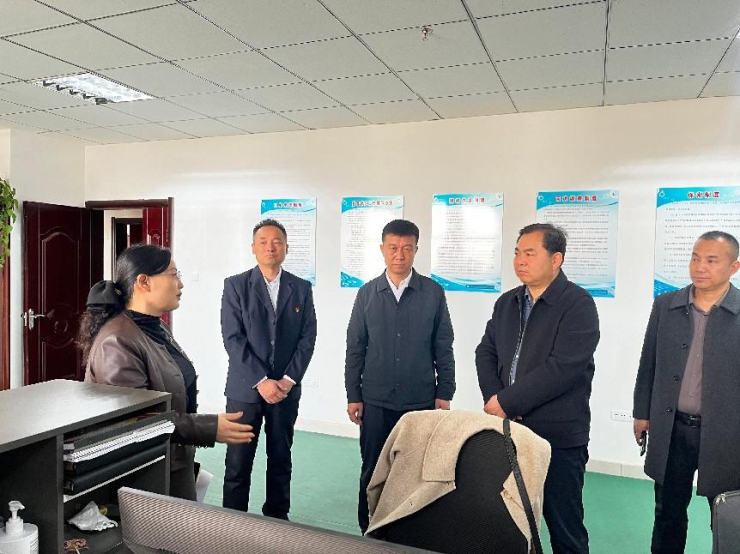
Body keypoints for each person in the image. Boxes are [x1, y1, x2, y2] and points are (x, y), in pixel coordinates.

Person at [80, 244, 254, 501]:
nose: (180, 284)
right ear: (144, 282)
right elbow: (137, 421)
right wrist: (208, 427)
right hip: (143, 470)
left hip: (170, 457)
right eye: (174, 275)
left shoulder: (155, 327)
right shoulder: (117, 341)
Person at [475, 223, 600, 554]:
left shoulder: (578, 304)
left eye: (530, 253)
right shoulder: (508, 302)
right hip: (507, 430)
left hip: (557, 436)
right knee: (506, 520)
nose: (520, 260)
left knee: (564, 525)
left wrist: (508, 401)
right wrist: (495, 400)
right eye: (517, 252)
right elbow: (485, 352)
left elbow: (563, 368)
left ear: (556, 259)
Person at [345, 218, 455, 534]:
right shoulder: (367, 294)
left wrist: (444, 392)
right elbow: (355, 348)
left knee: (415, 471)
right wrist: (353, 394)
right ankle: (369, 530)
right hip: (375, 399)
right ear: (382, 249)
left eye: (407, 248)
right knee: (373, 468)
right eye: (393, 247)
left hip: (419, 399)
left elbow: (443, 346)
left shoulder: (433, 293)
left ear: (416, 250)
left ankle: (409, 531)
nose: (399, 255)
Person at [633, 230, 740, 554]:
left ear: (734, 267)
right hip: (673, 429)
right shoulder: (666, 305)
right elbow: (648, 363)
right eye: (695, 258)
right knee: (668, 513)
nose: (700, 267)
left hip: (726, 435)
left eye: (711, 260)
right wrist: (641, 413)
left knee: (727, 516)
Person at [221, 219, 317, 520]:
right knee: (238, 461)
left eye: (277, 242)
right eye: (263, 242)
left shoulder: (301, 288)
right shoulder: (235, 285)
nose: (270, 247)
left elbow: (308, 337)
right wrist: (261, 380)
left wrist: (288, 379)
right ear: (253, 248)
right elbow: (232, 338)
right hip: (245, 390)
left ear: (286, 248)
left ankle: (277, 518)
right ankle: (233, 520)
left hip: (285, 391)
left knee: (280, 458)